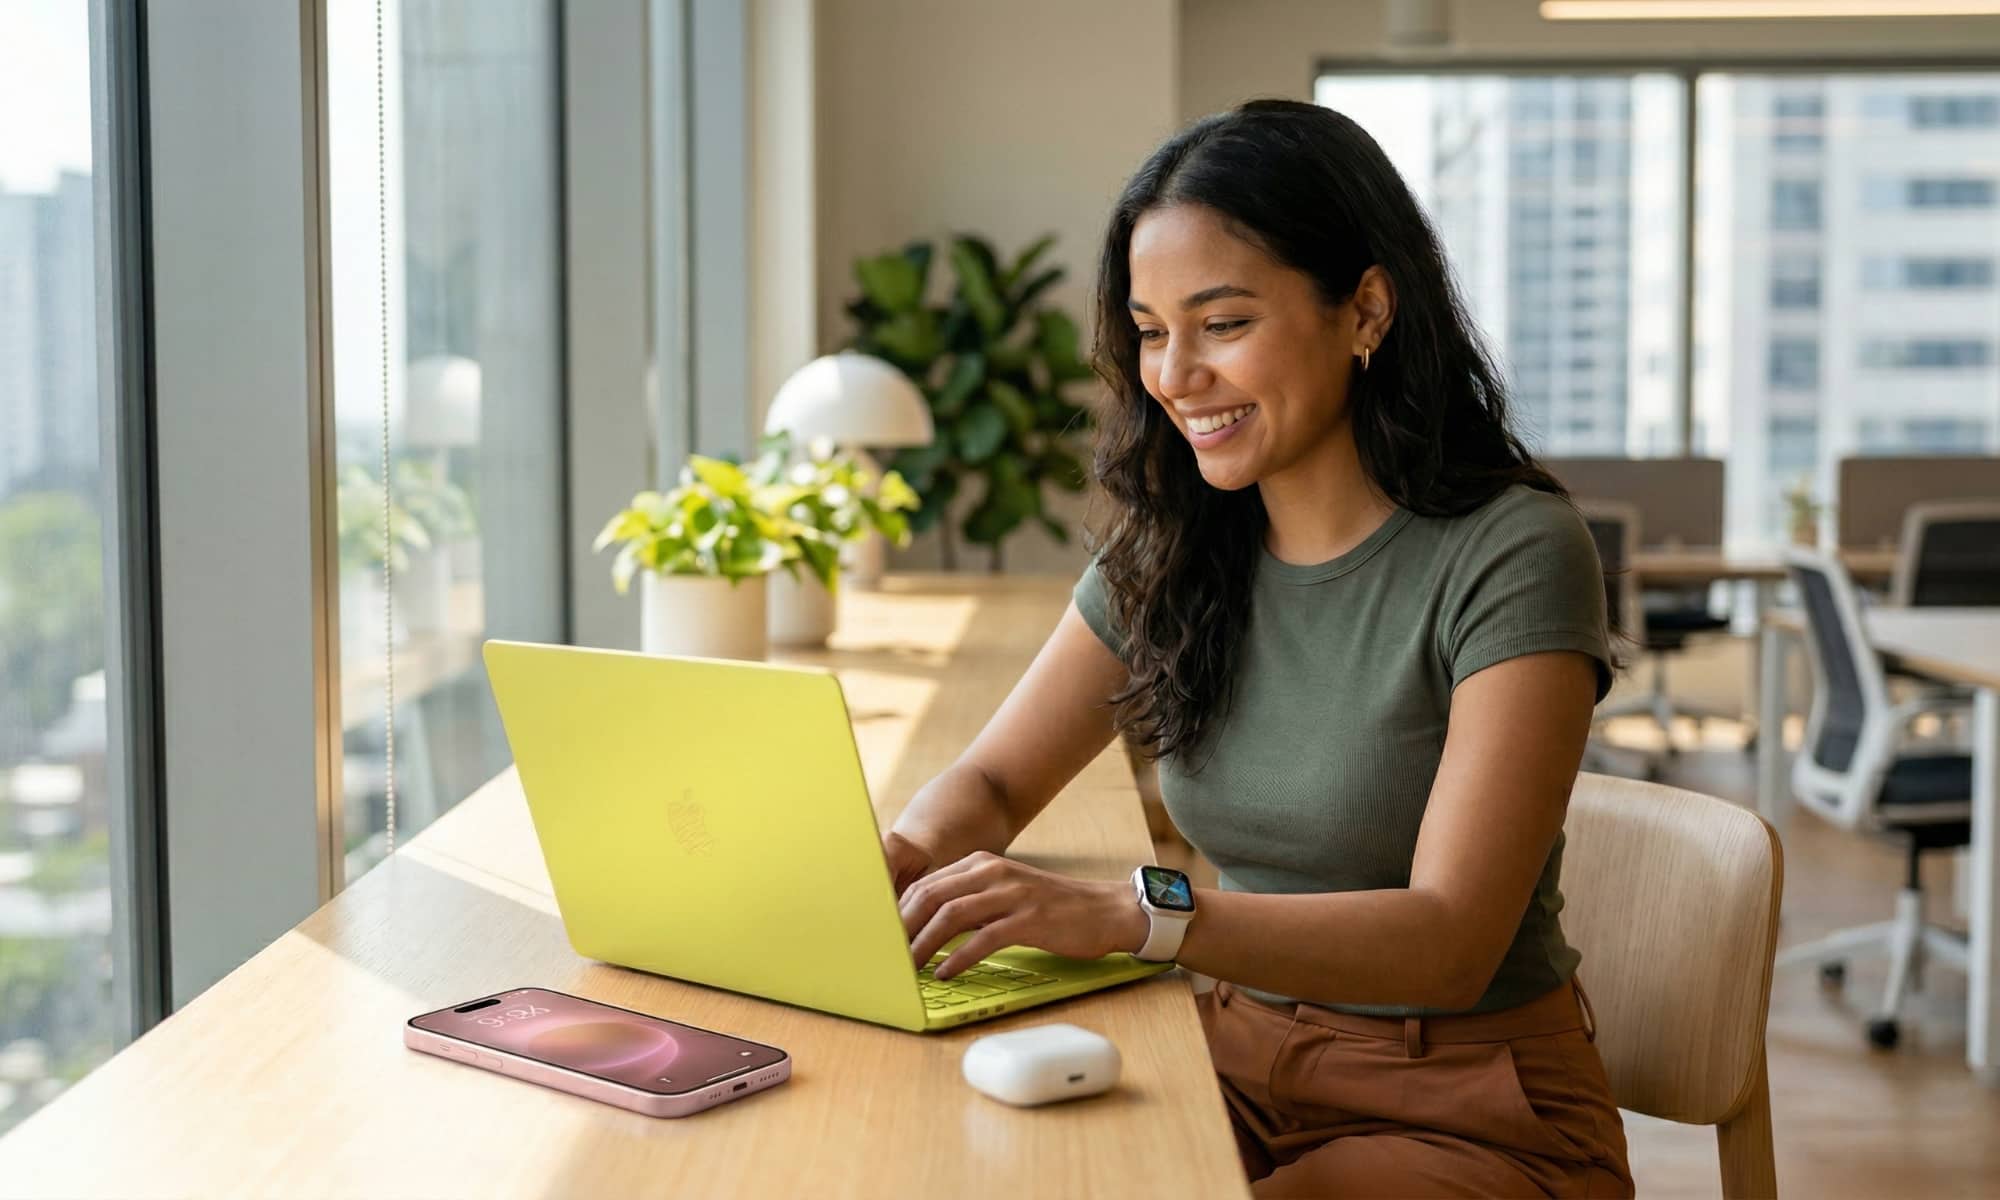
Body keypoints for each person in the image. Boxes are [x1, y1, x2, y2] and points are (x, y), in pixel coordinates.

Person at [883, 99, 1634, 1198]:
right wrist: (894, 862)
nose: (1173, 374)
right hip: (1226, 1061)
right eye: (1148, 330)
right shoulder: (1173, 548)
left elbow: (1447, 939)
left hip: (1466, 1111)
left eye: (1221, 323)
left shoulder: (1511, 550)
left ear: (1364, 309)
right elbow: (995, 780)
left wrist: (1135, 918)